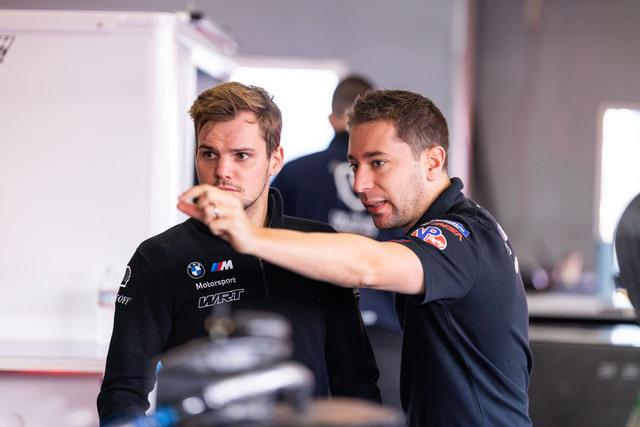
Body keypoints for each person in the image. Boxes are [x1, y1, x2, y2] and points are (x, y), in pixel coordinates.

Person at [179, 89, 533, 426]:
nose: (359, 184)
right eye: (354, 165)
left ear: (432, 161)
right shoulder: (449, 229)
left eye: (378, 163)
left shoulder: (463, 236)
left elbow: (370, 265)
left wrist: (251, 236)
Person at [97, 82, 381, 425]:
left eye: (241, 156)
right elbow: (123, 392)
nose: (222, 172)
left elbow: (356, 381)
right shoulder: (159, 257)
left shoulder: (320, 246)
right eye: (209, 154)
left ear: (275, 159)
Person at [272, 75, 402, 408]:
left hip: (306, 334)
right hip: (385, 333)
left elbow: (268, 248)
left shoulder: (294, 175)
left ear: (333, 119)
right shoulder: (400, 179)